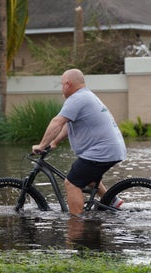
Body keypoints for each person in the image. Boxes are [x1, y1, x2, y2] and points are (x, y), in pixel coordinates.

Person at [32, 68, 127, 215]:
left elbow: (57, 121)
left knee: (72, 183)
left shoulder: (77, 98)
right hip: (111, 149)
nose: (61, 88)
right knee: (85, 175)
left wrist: (42, 145)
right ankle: (112, 201)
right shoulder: (86, 95)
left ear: (68, 84)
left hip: (103, 151)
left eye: (62, 84)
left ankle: (76, 224)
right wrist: (55, 142)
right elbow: (68, 124)